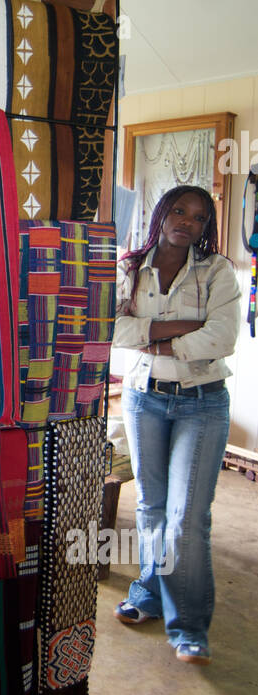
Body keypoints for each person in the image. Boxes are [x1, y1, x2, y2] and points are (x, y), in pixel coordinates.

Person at [111, 185, 241, 664]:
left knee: (187, 518)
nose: (187, 221)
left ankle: (187, 626)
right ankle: (148, 593)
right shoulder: (129, 267)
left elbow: (222, 337)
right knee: (151, 506)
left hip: (202, 403)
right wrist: (185, 327)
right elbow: (112, 329)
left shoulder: (217, 271)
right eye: (180, 211)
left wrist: (153, 340)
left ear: (206, 227)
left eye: (199, 217)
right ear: (161, 213)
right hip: (145, 399)